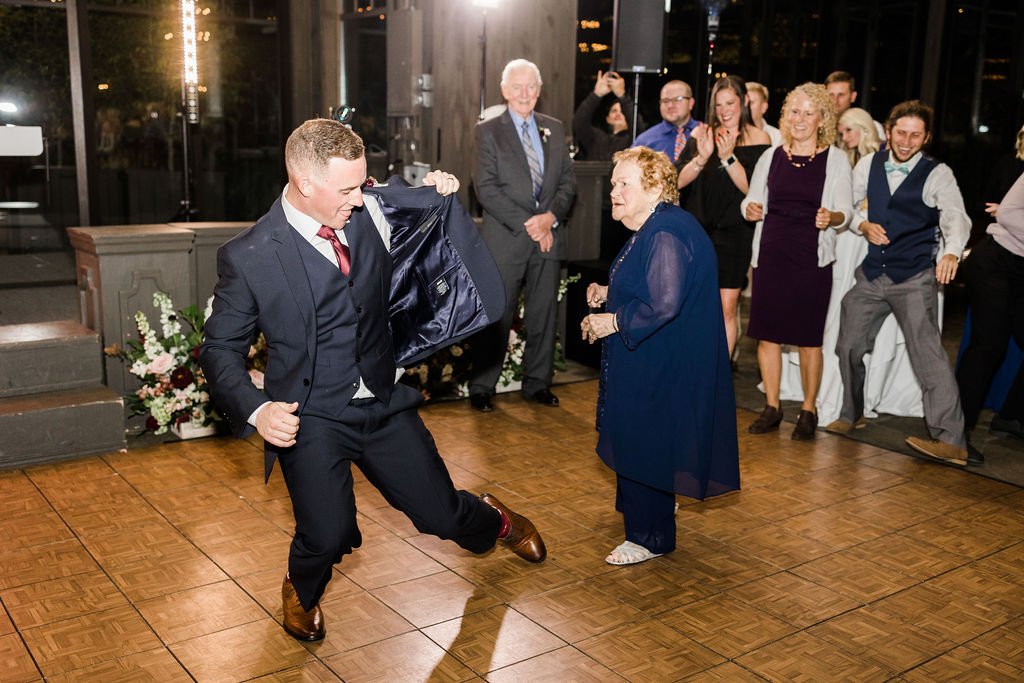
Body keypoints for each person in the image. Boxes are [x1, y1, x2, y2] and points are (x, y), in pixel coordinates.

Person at [200, 118, 546, 643]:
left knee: (441, 515)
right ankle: (301, 591)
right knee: (327, 532)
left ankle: (496, 522)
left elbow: (421, 210)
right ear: (301, 180)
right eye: (346, 190)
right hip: (309, 417)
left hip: (382, 402)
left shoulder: (371, 206)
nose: (358, 201)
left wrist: (441, 188)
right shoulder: (249, 256)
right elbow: (219, 348)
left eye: (362, 185)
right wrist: (257, 409)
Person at [581, 146, 739, 565]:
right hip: (657, 357)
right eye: (614, 182)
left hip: (661, 362)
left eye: (623, 183)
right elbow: (651, 285)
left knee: (642, 439)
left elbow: (664, 303)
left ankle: (649, 537)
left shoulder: (666, 233)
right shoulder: (658, 225)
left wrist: (610, 322)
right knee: (643, 438)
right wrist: (609, 294)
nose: (613, 190)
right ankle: (650, 512)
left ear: (653, 190)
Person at [829, 100, 971, 466]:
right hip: (872, 273)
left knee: (929, 358)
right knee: (848, 346)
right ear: (888, 131)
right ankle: (852, 413)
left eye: (916, 135)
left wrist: (952, 252)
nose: (907, 141)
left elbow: (955, 215)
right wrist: (861, 224)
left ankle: (952, 440)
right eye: (901, 132)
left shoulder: (938, 173)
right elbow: (848, 203)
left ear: (926, 138)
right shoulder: (869, 163)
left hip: (914, 276)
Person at [740, 82, 853, 440]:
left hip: (810, 257)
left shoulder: (834, 159)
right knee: (767, 335)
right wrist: (751, 208)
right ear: (785, 116)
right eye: (794, 111)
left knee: (809, 338)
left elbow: (846, 214)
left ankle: (808, 409)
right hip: (771, 254)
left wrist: (831, 218)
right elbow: (750, 202)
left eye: (808, 112)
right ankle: (772, 407)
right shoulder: (771, 155)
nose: (800, 118)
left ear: (822, 119)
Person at [468, 58, 576, 412]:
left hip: (548, 236)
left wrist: (550, 218)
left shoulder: (555, 129)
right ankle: (482, 387)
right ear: (504, 90)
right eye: (517, 86)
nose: (524, 93)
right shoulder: (487, 131)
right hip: (507, 238)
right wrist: (532, 223)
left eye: (531, 86)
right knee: (497, 314)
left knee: (544, 314)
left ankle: (537, 383)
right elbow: (486, 189)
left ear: (539, 91)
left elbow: (567, 184)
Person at [676, 75, 771, 358]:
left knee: (727, 306)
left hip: (735, 233)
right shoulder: (702, 135)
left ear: (743, 102)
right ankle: (692, 366)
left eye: (730, 103)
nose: (724, 110)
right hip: (698, 231)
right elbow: (677, 182)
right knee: (692, 303)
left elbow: (754, 189)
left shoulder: (759, 138)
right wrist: (703, 157)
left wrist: (729, 158)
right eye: (718, 105)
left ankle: (720, 371)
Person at [957, 168, 1024, 444]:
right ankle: (954, 431)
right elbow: (1007, 213)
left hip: (1020, 267)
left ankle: (1012, 417)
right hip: (995, 261)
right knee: (989, 344)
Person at [573, 69, 636, 161]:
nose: (618, 114)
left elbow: (637, 125)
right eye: (614, 111)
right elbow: (579, 123)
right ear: (607, 119)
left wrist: (622, 95)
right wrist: (596, 94)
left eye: (622, 112)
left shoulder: (634, 140)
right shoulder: (596, 138)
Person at [631, 80, 700, 163]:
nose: (670, 105)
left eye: (677, 99)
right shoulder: (645, 141)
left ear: (691, 103)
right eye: (665, 101)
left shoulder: (706, 134)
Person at [825, 71, 885, 139]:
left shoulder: (871, 127)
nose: (835, 100)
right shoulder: (817, 126)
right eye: (831, 95)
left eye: (841, 95)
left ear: (853, 96)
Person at [746, 81, 782, 146]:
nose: (745, 106)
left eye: (751, 102)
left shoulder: (777, 137)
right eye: (743, 102)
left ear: (764, 107)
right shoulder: (731, 135)